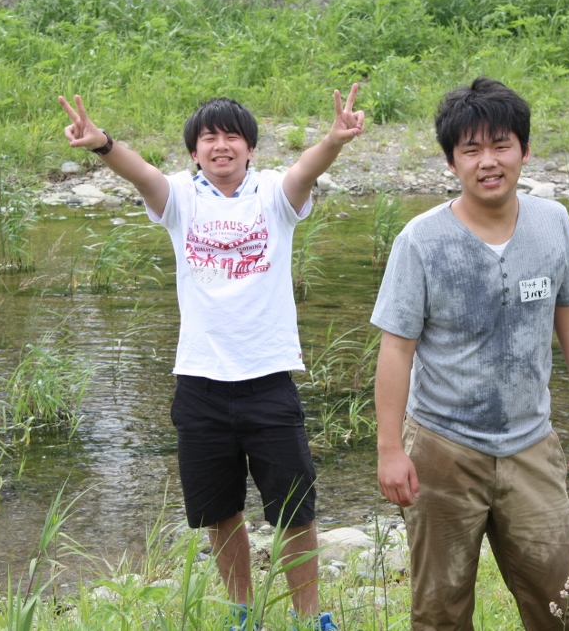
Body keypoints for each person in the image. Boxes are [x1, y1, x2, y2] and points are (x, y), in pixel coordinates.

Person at [59, 85, 365, 631]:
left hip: (269, 381)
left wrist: (335, 140)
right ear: (195, 152)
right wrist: (102, 143)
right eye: (209, 138)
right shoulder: (181, 197)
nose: (221, 146)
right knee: (220, 513)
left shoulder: (273, 194)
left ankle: (309, 619)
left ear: (250, 148)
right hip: (200, 384)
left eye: (232, 137)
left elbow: (305, 170)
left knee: (295, 511)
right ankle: (242, 615)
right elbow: (141, 174)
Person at [371, 77, 569, 631]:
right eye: (471, 150)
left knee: (558, 603)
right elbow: (396, 349)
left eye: (501, 145)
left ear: (524, 151)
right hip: (441, 448)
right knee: (440, 609)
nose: (488, 161)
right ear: (451, 162)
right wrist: (390, 449)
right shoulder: (420, 240)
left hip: (531, 444)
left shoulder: (552, 222)